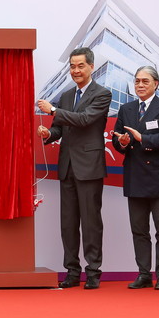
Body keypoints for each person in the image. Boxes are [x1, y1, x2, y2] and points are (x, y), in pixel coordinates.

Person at [36, 47, 111, 289]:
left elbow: (85, 120)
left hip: (89, 166)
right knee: (68, 223)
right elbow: (60, 127)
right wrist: (49, 133)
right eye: (72, 66)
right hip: (67, 165)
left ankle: (93, 271)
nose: (76, 70)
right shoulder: (67, 95)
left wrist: (54, 111)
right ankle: (71, 269)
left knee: (90, 222)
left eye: (80, 66)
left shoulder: (103, 94)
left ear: (91, 67)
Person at [112, 66, 159, 290]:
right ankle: (143, 273)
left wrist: (144, 138)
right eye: (137, 81)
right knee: (139, 230)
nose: (140, 85)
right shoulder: (126, 109)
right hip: (135, 175)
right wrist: (122, 142)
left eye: (145, 81)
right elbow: (117, 139)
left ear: (156, 84)